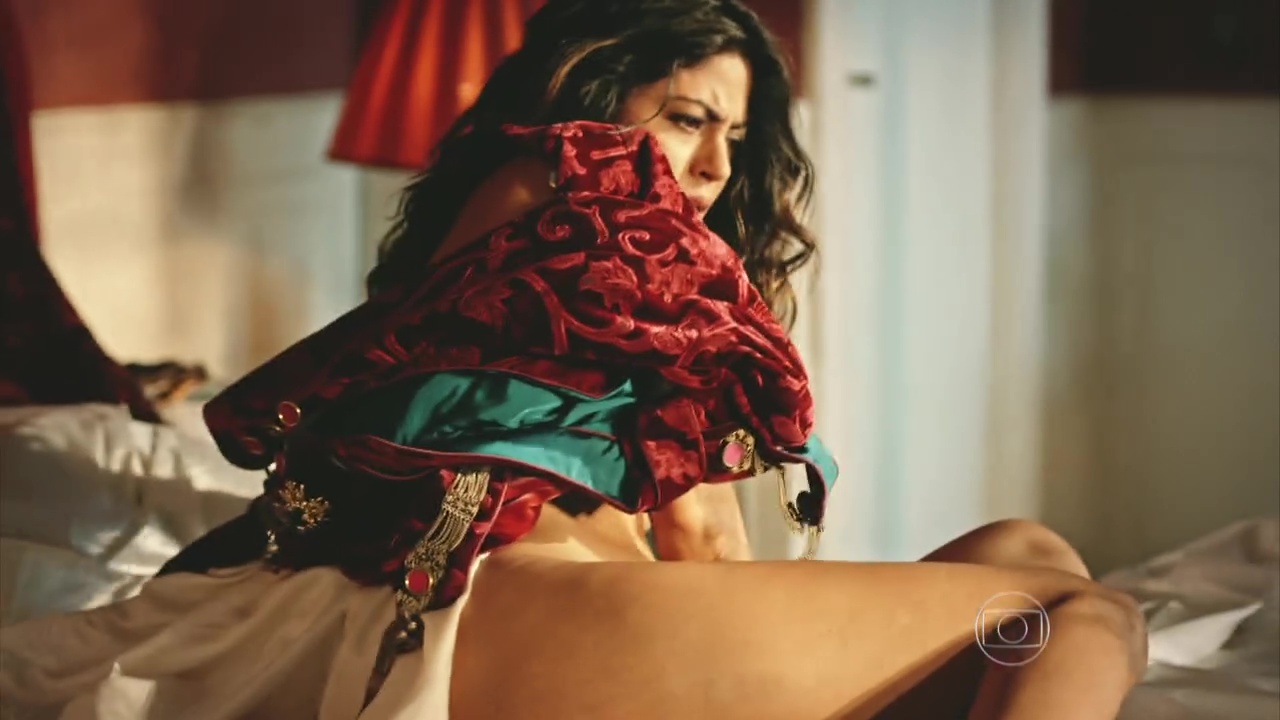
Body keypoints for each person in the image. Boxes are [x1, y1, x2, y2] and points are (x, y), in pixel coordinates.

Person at [0, 1, 1148, 718]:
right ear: (602, 102)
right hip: (544, 616)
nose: (713, 166)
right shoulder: (615, 199)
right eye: (686, 117)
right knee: (1082, 620)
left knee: (1023, 554)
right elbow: (704, 545)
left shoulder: (502, 206)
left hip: (452, 609)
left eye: (733, 134)